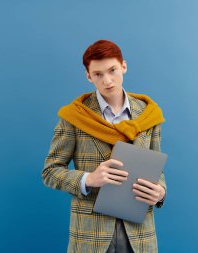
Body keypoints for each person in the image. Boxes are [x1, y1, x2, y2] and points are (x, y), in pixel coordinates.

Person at [42, 40, 167, 253]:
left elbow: (156, 167)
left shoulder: (148, 114)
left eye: (112, 70)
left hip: (139, 235)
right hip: (91, 237)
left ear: (124, 67)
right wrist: (87, 179)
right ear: (88, 76)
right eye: (98, 74)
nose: (107, 80)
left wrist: (161, 192)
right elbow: (50, 171)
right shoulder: (75, 116)